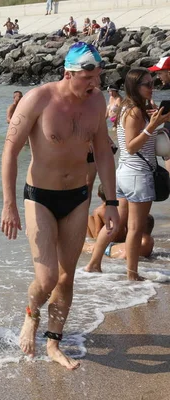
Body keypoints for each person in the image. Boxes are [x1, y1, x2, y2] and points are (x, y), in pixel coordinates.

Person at [0, 42, 120, 370]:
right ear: (69, 73)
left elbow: (104, 153)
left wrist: (111, 202)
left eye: (98, 75)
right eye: (88, 77)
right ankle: (31, 313)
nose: (95, 83)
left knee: (67, 278)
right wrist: (9, 204)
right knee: (48, 276)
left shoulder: (96, 102)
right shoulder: (38, 99)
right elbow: (10, 151)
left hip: (77, 198)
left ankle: (54, 343)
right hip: (39, 196)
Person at [113, 68, 170, 280]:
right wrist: (152, 126)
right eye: (147, 84)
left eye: (152, 83)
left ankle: (95, 263)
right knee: (135, 228)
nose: (152, 87)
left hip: (126, 173)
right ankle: (132, 275)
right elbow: (130, 146)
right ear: (135, 87)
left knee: (126, 225)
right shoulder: (135, 111)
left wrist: (155, 120)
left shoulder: (130, 107)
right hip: (137, 174)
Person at [83, 214, 154, 260]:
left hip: (109, 250)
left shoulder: (145, 240)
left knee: (85, 247)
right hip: (111, 248)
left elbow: (125, 255)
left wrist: (115, 263)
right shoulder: (143, 239)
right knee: (85, 246)